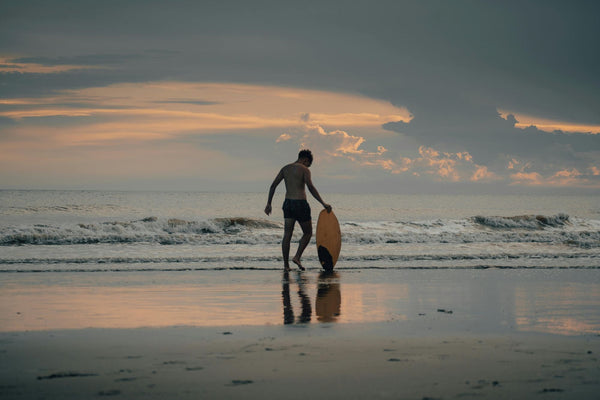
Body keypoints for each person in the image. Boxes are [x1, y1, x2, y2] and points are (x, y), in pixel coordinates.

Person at [265, 149, 332, 271]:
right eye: (308, 164)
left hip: (288, 204)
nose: (307, 166)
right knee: (307, 233)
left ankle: (286, 266)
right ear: (306, 160)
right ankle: (297, 257)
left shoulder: (285, 168)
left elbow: (273, 185)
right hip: (300, 204)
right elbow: (310, 187)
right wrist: (323, 203)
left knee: (287, 234)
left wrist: (269, 203)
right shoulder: (304, 169)